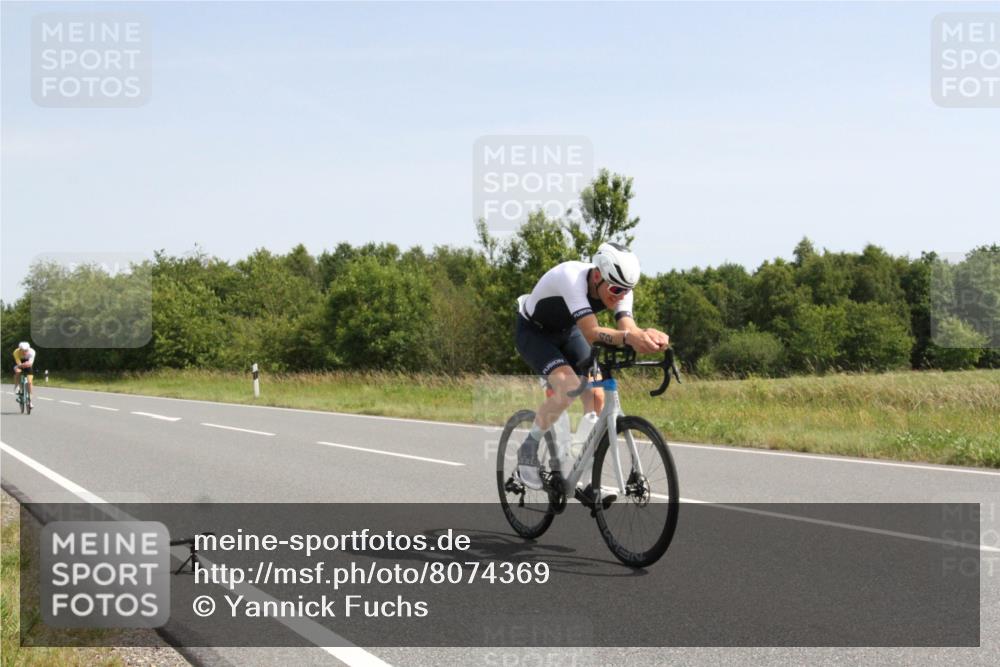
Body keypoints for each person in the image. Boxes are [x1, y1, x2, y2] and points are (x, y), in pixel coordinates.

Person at [514, 242, 669, 493]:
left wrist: (647, 336)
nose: (620, 296)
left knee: (596, 394)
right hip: (535, 332)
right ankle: (528, 449)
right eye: (615, 289)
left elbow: (627, 328)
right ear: (597, 275)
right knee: (568, 387)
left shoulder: (620, 286)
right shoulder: (571, 277)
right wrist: (631, 338)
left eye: (626, 291)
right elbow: (592, 332)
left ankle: (580, 471)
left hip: (567, 331)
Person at [13, 341, 36, 409]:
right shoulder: (16, 352)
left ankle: (30, 401)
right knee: (18, 371)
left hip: (28, 365)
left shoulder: (32, 352)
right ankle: (16, 386)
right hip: (19, 363)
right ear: (19, 349)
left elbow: (30, 363)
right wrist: (21, 365)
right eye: (23, 350)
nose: (25, 352)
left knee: (29, 382)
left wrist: (26, 364)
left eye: (26, 350)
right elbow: (18, 363)